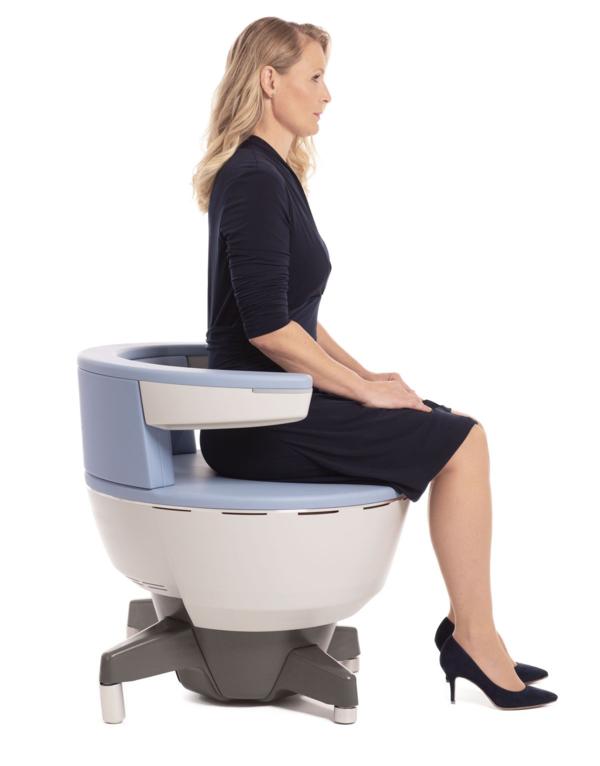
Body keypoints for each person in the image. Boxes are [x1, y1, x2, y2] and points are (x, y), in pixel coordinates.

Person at [191, 17, 557, 709]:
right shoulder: (254, 178)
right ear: (269, 81)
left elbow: (297, 317)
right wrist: (360, 392)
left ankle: (473, 632)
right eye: (315, 77)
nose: (327, 94)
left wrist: (366, 377)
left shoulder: (271, 173)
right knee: (464, 441)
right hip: (258, 422)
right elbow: (269, 331)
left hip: (275, 405)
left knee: (451, 426)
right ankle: (474, 638)